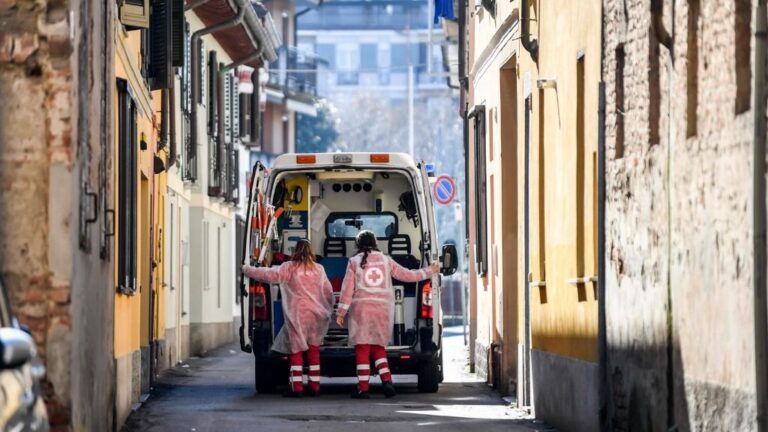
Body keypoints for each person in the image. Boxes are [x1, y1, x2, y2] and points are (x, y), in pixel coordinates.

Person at [336, 230, 438, 399]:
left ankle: (363, 388)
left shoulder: (354, 262)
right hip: (382, 310)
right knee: (378, 348)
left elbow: (347, 290)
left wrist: (341, 312)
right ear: (376, 243)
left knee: (362, 348)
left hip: (361, 311)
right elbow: (408, 275)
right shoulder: (386, 260)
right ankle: (387, 382)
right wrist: (429, 271)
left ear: (358, 245)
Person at [242, 239, 334, 397]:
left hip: (297, 315)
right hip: (316, 316)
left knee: (296, 351)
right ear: (311, 251)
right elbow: (328, 292)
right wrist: (328, 310)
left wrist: (247, 269)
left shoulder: (289, 268)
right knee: (313, 351)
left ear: (295, 251)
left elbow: (268, 275)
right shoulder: (319, 268)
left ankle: (297, 388)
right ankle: (315, 387)